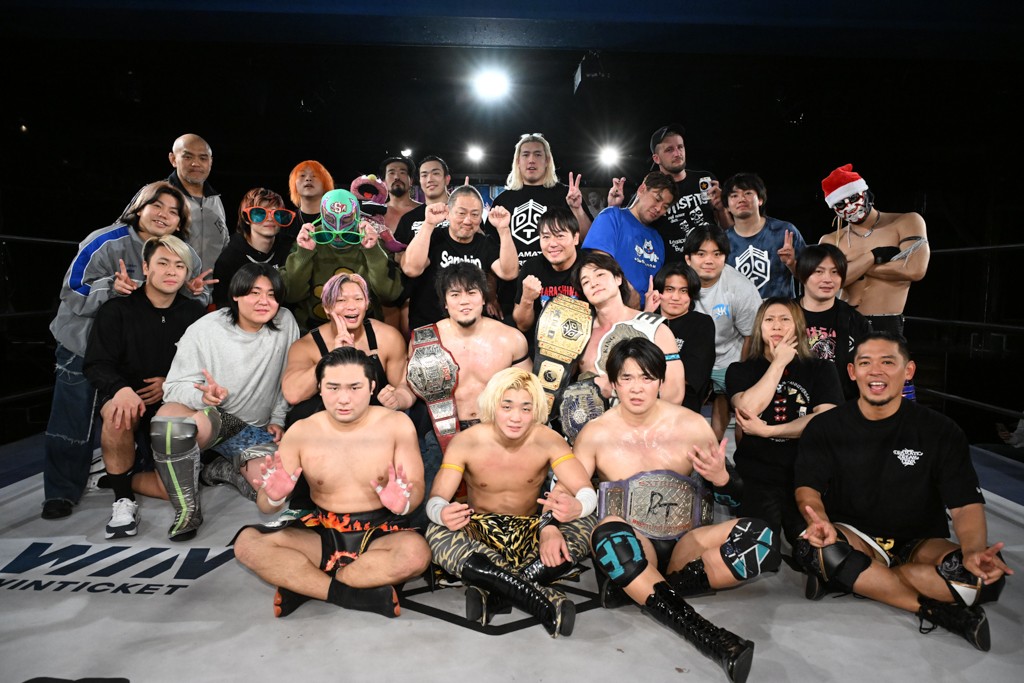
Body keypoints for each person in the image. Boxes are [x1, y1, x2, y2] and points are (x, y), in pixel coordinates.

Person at [576, 338, 779, 683]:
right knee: (609, 535)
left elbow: (737, 500)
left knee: (762, 539)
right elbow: (573, 495)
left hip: (686, 544)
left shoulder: (692, 425)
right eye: (627, 378)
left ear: (660, 380)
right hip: (633, 545)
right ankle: (712, 638)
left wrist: (723, 479)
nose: (637, 388)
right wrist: (556, 520)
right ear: (613, 383)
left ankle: (639, 588)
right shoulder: (595, 434)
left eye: (646, 377)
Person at [794, 332, 1012, 651]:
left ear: (908, 371)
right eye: (865, 363)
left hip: (920, 541)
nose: (876, 371)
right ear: (852, 372)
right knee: (813, 548)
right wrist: (820, 522)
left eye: (887, 362)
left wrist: (973, 550)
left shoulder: (941, 430)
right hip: (856, 536)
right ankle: (933, 609)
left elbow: (965, 504)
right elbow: (808, 489)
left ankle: (859, 578)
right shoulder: (826, 426)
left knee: (986, 576)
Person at [42, 181, 211, 520]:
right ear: (139, 207)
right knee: (72, 420)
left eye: (173, 211)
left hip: (135, 353)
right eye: (157, 206)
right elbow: (72, 288)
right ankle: (61, 492)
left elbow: (196, 300)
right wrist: (111, 288)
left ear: (181, 221)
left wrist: (194, 291)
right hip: (82, 342)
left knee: (138, 409)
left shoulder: (183, 251)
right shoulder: (105, 241)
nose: (163, 215)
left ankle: (126, 475)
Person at [233, 347, 432, 619]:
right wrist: (274, 497)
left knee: (416, 555)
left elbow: (416, 487)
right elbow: (265, 506)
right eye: (333, 387)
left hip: (380, 533)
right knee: (246, 544)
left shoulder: (397, 424)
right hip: (322, 532)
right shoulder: (302, 431)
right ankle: (348, 592)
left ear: (372, 387)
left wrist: (405, 502)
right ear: (320, 388)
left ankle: (307, 584)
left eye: (355, 387)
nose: (344, 398)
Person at [424, 369, 598, 636]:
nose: (516, 417)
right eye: (507, 407)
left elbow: (586, 491)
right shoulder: (466, 442)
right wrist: (443, 513)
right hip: (479, 534)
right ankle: (540, 599)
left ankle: (495, 593)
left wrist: (574, 509)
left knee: (586, 521)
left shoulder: (548, 439)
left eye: (525, 408)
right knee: (436, 530)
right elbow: (435, 501)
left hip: (530, 532)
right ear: (493, 405)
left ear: (535, 409)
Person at [151, 263, 299, 540]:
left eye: (271, 294)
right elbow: (172, 388)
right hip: (213, 419)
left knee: (275, 490)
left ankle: (221, 470)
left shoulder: (285, 322)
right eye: (254, 292)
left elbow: (287, 375)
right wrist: (203, 396)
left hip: (250, 430)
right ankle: (187, 511)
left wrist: (278, 419)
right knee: (169, 421)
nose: (264, 301)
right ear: (236, 295)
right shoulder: (205, 329)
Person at [83, 235, 207, 538]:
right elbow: (96, 363)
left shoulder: (194, 314)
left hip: (171, 402)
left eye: (179, 265)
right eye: (163, 263)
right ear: (146, 267)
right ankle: (123, 499)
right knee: (117, 413)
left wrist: (170, 383)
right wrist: (120, 389)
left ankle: (119, 476)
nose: (171, 271)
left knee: (168, 490)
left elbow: (206, 367)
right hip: (130, 398)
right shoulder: (116, 310)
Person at [408, 263, 531, 502]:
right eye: (455, 294)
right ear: (445, 302)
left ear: (483, 298)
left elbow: (528, 396)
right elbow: (411, 388)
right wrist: (397, 397)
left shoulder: (511, 338)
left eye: (471, 293)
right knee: (431, 507)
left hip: (499, 432)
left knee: (510, 505)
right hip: (442, 434)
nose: (464, 301)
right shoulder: (424, 340)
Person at [726, 298, 842, 547]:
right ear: (759, 327)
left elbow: (826, 420)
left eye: (785, 319)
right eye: (769, 320)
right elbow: (747, 409)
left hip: (807, 475)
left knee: (814, 549)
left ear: (798, 326)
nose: (776, 326)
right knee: (759, 550)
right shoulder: (740, 370)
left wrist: (768, 431)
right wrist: (778, 363)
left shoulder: (821, 368)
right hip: (757, 475)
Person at [282, 272, 414, 425]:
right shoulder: (306, 346)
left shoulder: (387, 337)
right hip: (326, 427)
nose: (352, 306)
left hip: (374, 424)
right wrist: (333, 356)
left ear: (366, 304)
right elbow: (293, 394)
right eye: (341, 300)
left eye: (358, 299)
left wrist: (397, 399)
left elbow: (407, 386)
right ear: (327, 307)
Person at [484, 133, 593, 318]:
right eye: (525, 154)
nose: (531, 160)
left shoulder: (566, 195)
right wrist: (491, 295)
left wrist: (577, 209)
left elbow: (588, 240)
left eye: (538, 154)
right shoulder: (503, 200)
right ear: (518, 161)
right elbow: (491, 253)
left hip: (562, 291)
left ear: (547, 160)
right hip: (512, 293)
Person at [818, 164, 930, 337]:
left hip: (885, 324)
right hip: (841, 323)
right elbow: (828, 283)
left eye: (853, 197)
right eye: (840, 203)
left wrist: (851, 266)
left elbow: (915, 269)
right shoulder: (830, 240)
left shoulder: (906, 222)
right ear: (834, 209)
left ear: (866, 193)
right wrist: (871, 257)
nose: (849, 206)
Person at [279, 188, 404, 332]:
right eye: (330, 219)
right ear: (322, 214)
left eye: (346, 219)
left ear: (356, 215)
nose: (338, 229)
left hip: (363, 330)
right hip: (313, 330)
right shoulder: (308, 239)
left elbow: (390, 294)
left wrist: (373, 251)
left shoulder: (370, 239)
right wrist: (304, 253)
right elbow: (292, 295)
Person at [571, 251, 684, 406]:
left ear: (618, 278)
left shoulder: (655, 329)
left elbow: (674, 395)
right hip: (594, 420)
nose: (593, 283)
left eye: (600, 275)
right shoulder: (578, 335)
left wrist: (614, 391)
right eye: (585, 282)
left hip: (647, 418)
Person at [401, 186, 518, 331]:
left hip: (472, 328)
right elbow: (411, 269)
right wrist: (428, 224)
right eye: (461, 213)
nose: (468, 220)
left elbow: (509, 273)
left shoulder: (485, 243)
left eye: (475, 214)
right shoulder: (433, 238)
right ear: (448, 213)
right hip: (430, 325)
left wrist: (504, 229)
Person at [683, 226, 762, 441]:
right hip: (692, 356)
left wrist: (740, 374)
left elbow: (750, 336)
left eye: (717, 254)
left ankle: (724, 452)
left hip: (730, 355)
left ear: (725, 257)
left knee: (738, 406)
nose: (709, 260)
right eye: (701, 254)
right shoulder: (678, 284)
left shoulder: (740, 288)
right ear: (688, 259)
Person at [608, 123, 728, 259]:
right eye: (669, 150)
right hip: (672, 268)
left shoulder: (705, 179)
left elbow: (729, 229)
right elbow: (629, 227)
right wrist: (614, 206)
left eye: (680, 147)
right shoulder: (649, 189)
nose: (677, 153)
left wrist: (722, 208)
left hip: (710, 261)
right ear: (656, 158)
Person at [581, 170, 675, 306]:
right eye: (657, 199)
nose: (659, 208)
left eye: (665, 206)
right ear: (642, 189)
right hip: (609, 308)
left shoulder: (658, 240)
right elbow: (599, 263)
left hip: (644, 314)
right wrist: (629, 292)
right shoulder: (611, 217)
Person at [797, 244, 869, 401]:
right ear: (803, 274)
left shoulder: (855, 321)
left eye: (835, 272)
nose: (828, 279)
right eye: (819, 271)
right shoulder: (784, 314)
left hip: (841, 406)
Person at [644, 262, 715, 413]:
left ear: (691, 295)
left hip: (682, 412)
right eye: (669, 289)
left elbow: (691, 376)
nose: (675, 297)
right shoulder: (642, 320)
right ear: (658, 292)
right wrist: (647, 315)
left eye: (683, 291)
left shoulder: (701, 323)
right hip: (641, 408)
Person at [723, 173, 805, 299]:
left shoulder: (785, 232)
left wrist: (792, 264)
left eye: (748, 193)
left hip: (783, 309)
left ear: (760, 200)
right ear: (727, 206)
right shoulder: (723, 241)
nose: (741, 199)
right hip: (741, 311)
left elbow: (811, 277)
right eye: (734, 195)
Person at [212, 188, 296, 308]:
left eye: (276, 213)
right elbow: (224, 304)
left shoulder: (290, 248)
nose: (270, 218)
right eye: (260, 213)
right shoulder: (228, 258)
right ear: (246, 218)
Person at [511, 208, 581, 343]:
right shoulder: (531, 268)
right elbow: (523, 325)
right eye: (546, 237)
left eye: (560, 236)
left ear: (575, 238)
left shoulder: (590, 267)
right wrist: (527, 299)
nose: (552, 244)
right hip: (541, 343)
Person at [163, 133, 229, 269]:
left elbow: (224, 244)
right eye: (188, 157)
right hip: (170, 281)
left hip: (212, 282)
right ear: (173, 159)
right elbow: (125, 235)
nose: (196, 163)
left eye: (203, 158)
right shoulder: (156, 195)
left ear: (210, 162)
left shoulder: (215, 200)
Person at [288, 160, 335, 230]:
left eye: (315, 175)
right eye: (302, 175)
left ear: (325, 184)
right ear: (294, 184)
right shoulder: (287, 221)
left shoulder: (336, 221)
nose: (308, 179)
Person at [380, 156, 422, 231]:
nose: (397, 177)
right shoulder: (376, 213)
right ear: (384, 182)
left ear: (411, 181)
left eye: (402, 172)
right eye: (391, 173)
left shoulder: (425, 211)